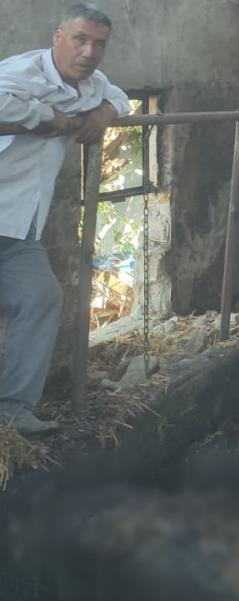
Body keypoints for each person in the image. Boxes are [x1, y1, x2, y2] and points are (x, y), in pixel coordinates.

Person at [0, 4, 130, 435]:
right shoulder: (23, 73)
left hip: (20, 227)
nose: (90, 51)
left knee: (41, 297)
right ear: (58, 37)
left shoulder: (91, 83)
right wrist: (47, 117)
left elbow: (120, 97)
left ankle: (13, 412)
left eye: (99, 43)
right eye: (80, 39)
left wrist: (105, 113)